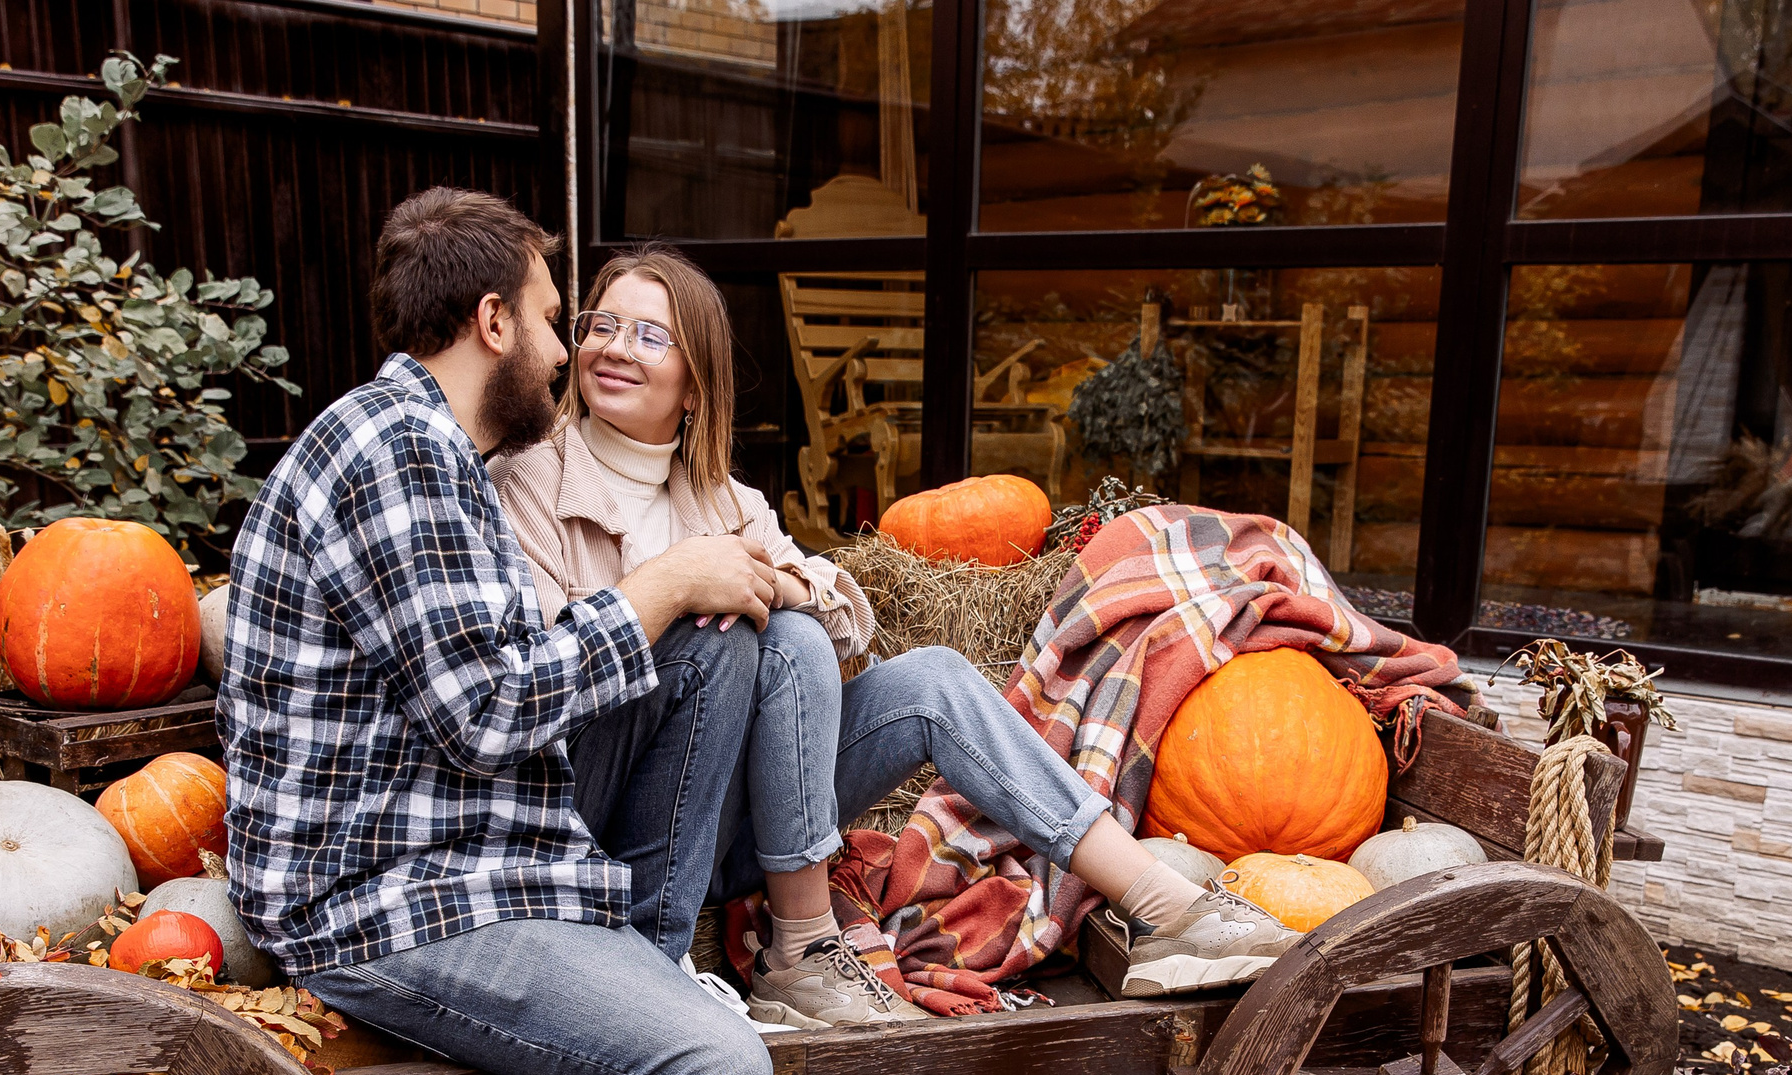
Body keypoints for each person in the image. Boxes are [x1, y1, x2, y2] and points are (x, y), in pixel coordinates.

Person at [216, 189, 780, 1075]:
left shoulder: (430, 450)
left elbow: (491, 699)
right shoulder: (395, 452)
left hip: (438, 858)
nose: (563, 341)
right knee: (718, 1069)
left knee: (694, 1020)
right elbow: (492, 706)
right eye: (549, 314)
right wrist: (660, 581)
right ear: (491, 324)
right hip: (374, 904)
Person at [489, 244, 1299, 1027]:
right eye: (600, 325)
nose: (613, 349)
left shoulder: (724, 501)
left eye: (648, 335)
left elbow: (853, 625)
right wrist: (681, 592)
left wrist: (772, 581)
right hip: (605, 812)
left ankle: (1162, 905)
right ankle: (801, 947)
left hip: (732, 826)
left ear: (695, 384)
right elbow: (543, 680)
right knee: (768, 638)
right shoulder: (527, 478)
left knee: (924, 674)